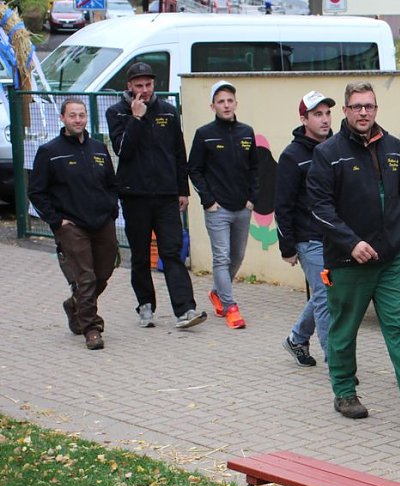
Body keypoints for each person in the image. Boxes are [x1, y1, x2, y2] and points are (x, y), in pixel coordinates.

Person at [306, 81, 400, 426]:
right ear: (346, 111)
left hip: (390, 258)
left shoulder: (392, 147)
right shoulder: (328, 153)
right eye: (356, 107)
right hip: (347, 261)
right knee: (344, 330)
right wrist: (350, 242)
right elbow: (320, 207)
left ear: (376, 109)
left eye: (369, 106)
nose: (363, 113)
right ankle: (345, 393)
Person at [106, 62, 207, 330]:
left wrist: (182, 190)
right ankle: (145, 305)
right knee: (140, 254)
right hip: (134, 195)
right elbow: (122, 150)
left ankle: (186, 309)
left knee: (172, 252)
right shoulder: (116, 113)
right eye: (138, 85)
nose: (144, 90)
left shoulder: (169, 112)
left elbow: (178, 153)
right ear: (129, 86)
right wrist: (136, 118)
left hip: (166, 195)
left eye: (148, 84)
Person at [28, 98, 119, 350]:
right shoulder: (50, 152)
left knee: (103, 274)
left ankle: (75, 305)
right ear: (62, 119)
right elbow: (36, 191)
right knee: (86, 278)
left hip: (102, 222)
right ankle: (91, 327)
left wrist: (113, 208)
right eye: (72, 115)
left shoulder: (99, 148)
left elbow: (111, 184)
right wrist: (57, 221)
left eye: (81, 115)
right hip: (72, 226)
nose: (78, 120)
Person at [188, 80, 259, 329]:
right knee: (221, 258)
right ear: (213, 106)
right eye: (221, 101)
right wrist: (208, 201)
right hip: (218, 209)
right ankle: (230, 307)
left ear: (236, 103)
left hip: (243, 207)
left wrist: (253, 198)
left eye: (229, 100)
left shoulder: (246, 132)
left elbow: (255, 168)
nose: (226, 105)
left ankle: (218, 293)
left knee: (236, 256)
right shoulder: (204, 134)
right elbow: (194, 169)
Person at [275, 90, 336, 367]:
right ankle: (337, 363)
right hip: (309, 239)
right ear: (304, 119)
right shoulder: (292, 156)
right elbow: (283, 205)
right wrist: (287, 246)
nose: (324, 120)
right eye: (317, 114)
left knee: (331, 292)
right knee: (325, 297)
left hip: (336, 237)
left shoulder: (336, 147)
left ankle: (297, 338)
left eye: (327, 113)